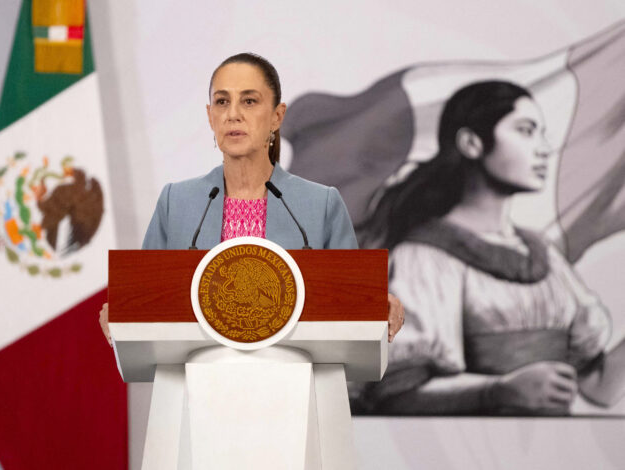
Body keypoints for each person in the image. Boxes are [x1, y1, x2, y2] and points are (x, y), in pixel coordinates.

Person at [352, 80, 625, 415]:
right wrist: (499, 391)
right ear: (472, 143)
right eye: (525, 131)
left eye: (541, 134)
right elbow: (398, 394)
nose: (544, 149)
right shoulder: (424, 257)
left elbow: (598, 388)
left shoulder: (544, 255)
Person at [99, 52, 405, 345]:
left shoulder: (320, 205)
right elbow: (148, 303)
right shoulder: (176, 203)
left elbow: (351, 307)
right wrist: (123, 313)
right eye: (222, 101)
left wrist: (376, 308)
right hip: (197, 376)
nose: (233, 114)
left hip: (293, 377)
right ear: (210, 116)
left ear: (277, 116)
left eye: (249, 101)